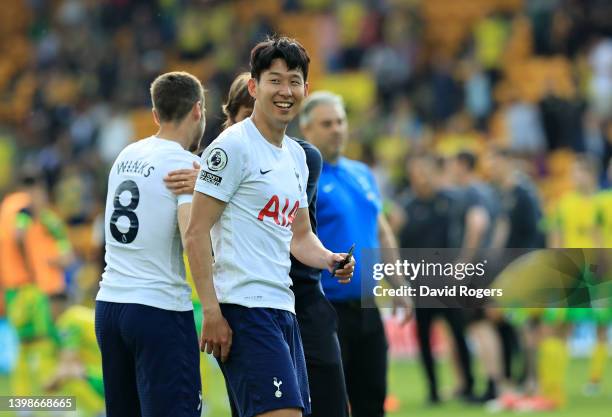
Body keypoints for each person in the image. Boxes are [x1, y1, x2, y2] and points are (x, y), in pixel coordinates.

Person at [185, 37, 354, 417]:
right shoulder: (231, 148)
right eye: (274, 80)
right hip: (243, 308)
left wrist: (330, 259)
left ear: (305, 90)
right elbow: (196, 232)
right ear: (253, 86)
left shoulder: (297, 156)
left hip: (284, 308)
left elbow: (300, 235)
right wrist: (211, 311)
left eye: (293, 81)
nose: (285, 91)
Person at [95, 71, 206, 417]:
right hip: (157, 308)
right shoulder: (186, 164)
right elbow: (192, 235)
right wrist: (213, 308)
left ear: (155, 115)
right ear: (198, 111)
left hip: (109, 303)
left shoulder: (126, 155)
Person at [299, 90, 411, 417]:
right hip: (325, 307)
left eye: (340, 121)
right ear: (307, 130)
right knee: (329, 405)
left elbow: (381, 230)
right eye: (327, 123)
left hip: (367, 304)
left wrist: (399, 284)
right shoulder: (304, 177)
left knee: (373, 399)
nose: (337, 129)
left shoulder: (362, 173)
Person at [398, 153, 475, 405]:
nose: (421, 177)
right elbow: (397, 247)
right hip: (419, 284)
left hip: (447, 282)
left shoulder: (451, 202)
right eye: (416, 172)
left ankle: (469, 386)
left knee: (458, 334)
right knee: (424, 338)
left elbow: (466, 233)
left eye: (424, 171)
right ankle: (432, 390)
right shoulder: (406, 209)